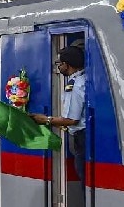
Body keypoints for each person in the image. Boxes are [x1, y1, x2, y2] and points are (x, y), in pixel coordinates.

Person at [30, 45, 86, 182]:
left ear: (66, 65)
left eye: (59, 64)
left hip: (82, 138)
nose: (59, 67)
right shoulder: (85, 78)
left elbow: (72, 120)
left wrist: (45, 120)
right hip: (84, 137)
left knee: (83, 177)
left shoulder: (76, 84)